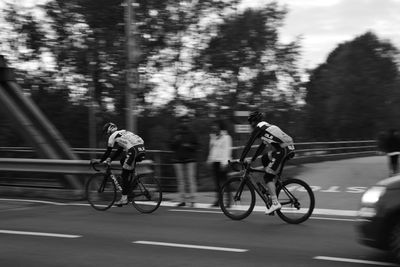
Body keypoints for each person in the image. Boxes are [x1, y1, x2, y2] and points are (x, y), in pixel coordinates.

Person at [239, 111, 295, 214]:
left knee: (267, 177)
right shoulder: (266, 128)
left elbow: (249, 144)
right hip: (286, 148)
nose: (250, 125)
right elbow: (262, 146)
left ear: (253, 122)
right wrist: (253, 159)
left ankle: (275, 202)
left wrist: (241, 159)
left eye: (250, 123)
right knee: (265, 158)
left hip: (283, 150)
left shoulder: (259, 128)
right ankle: (272, 187)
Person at [95, 122, 146, 206]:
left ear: (109, 129)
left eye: (106, 132)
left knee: (124, 175)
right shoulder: (123, 132)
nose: (107, 134)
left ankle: (124, 199)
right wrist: (110, 159)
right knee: (123, 161)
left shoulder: (113, 136)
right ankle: (132, 183)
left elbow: (108, 151)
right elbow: (119, 151)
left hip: (133, 150)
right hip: (141, 149)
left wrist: (100, 161)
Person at [170, 115, 199, 207]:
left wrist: (189, 146)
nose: (184, 123)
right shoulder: (176, 133)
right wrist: (176, 140)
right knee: (181, 181)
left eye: (186, 121)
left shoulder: (192, 133)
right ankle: (182, 200)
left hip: (190, 159)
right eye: (183, 121)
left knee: (191, 179)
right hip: (178, 159)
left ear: (188, 122)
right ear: (180, 123)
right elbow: (171, 146)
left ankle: (192, 200)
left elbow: (198, 146)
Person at [206, 119, 232, 207]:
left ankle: (228, 201)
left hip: (223, 162)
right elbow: (211, 149)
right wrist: (209, 160)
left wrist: (224, 163)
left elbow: (227, 150)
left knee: (225, 182)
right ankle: (218, 201)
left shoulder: (226, 137)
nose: (214, 127)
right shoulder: (212, 137)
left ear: (220, 127)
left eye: (216, 125)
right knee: (217, 183)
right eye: (213, 125)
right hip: (215, 162)